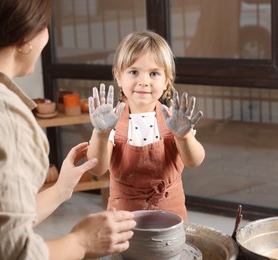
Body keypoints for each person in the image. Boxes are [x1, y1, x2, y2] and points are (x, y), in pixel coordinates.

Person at [0, 0, 136, 259]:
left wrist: (59, 190)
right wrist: (81, 242)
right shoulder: (3, 116)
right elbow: (6, 254)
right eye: (45, 26)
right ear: (25, 39)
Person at [87, 31, 205, 221]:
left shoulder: (174, 118)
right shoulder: (111, 120)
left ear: (166, 80)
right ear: (118, 76)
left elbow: (194, 161)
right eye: (133, 72)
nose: (143, 81)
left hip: (170, 216)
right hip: (124, 219)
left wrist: (185, 137)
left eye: (154, 73)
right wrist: (101, 133)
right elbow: (97, 169)